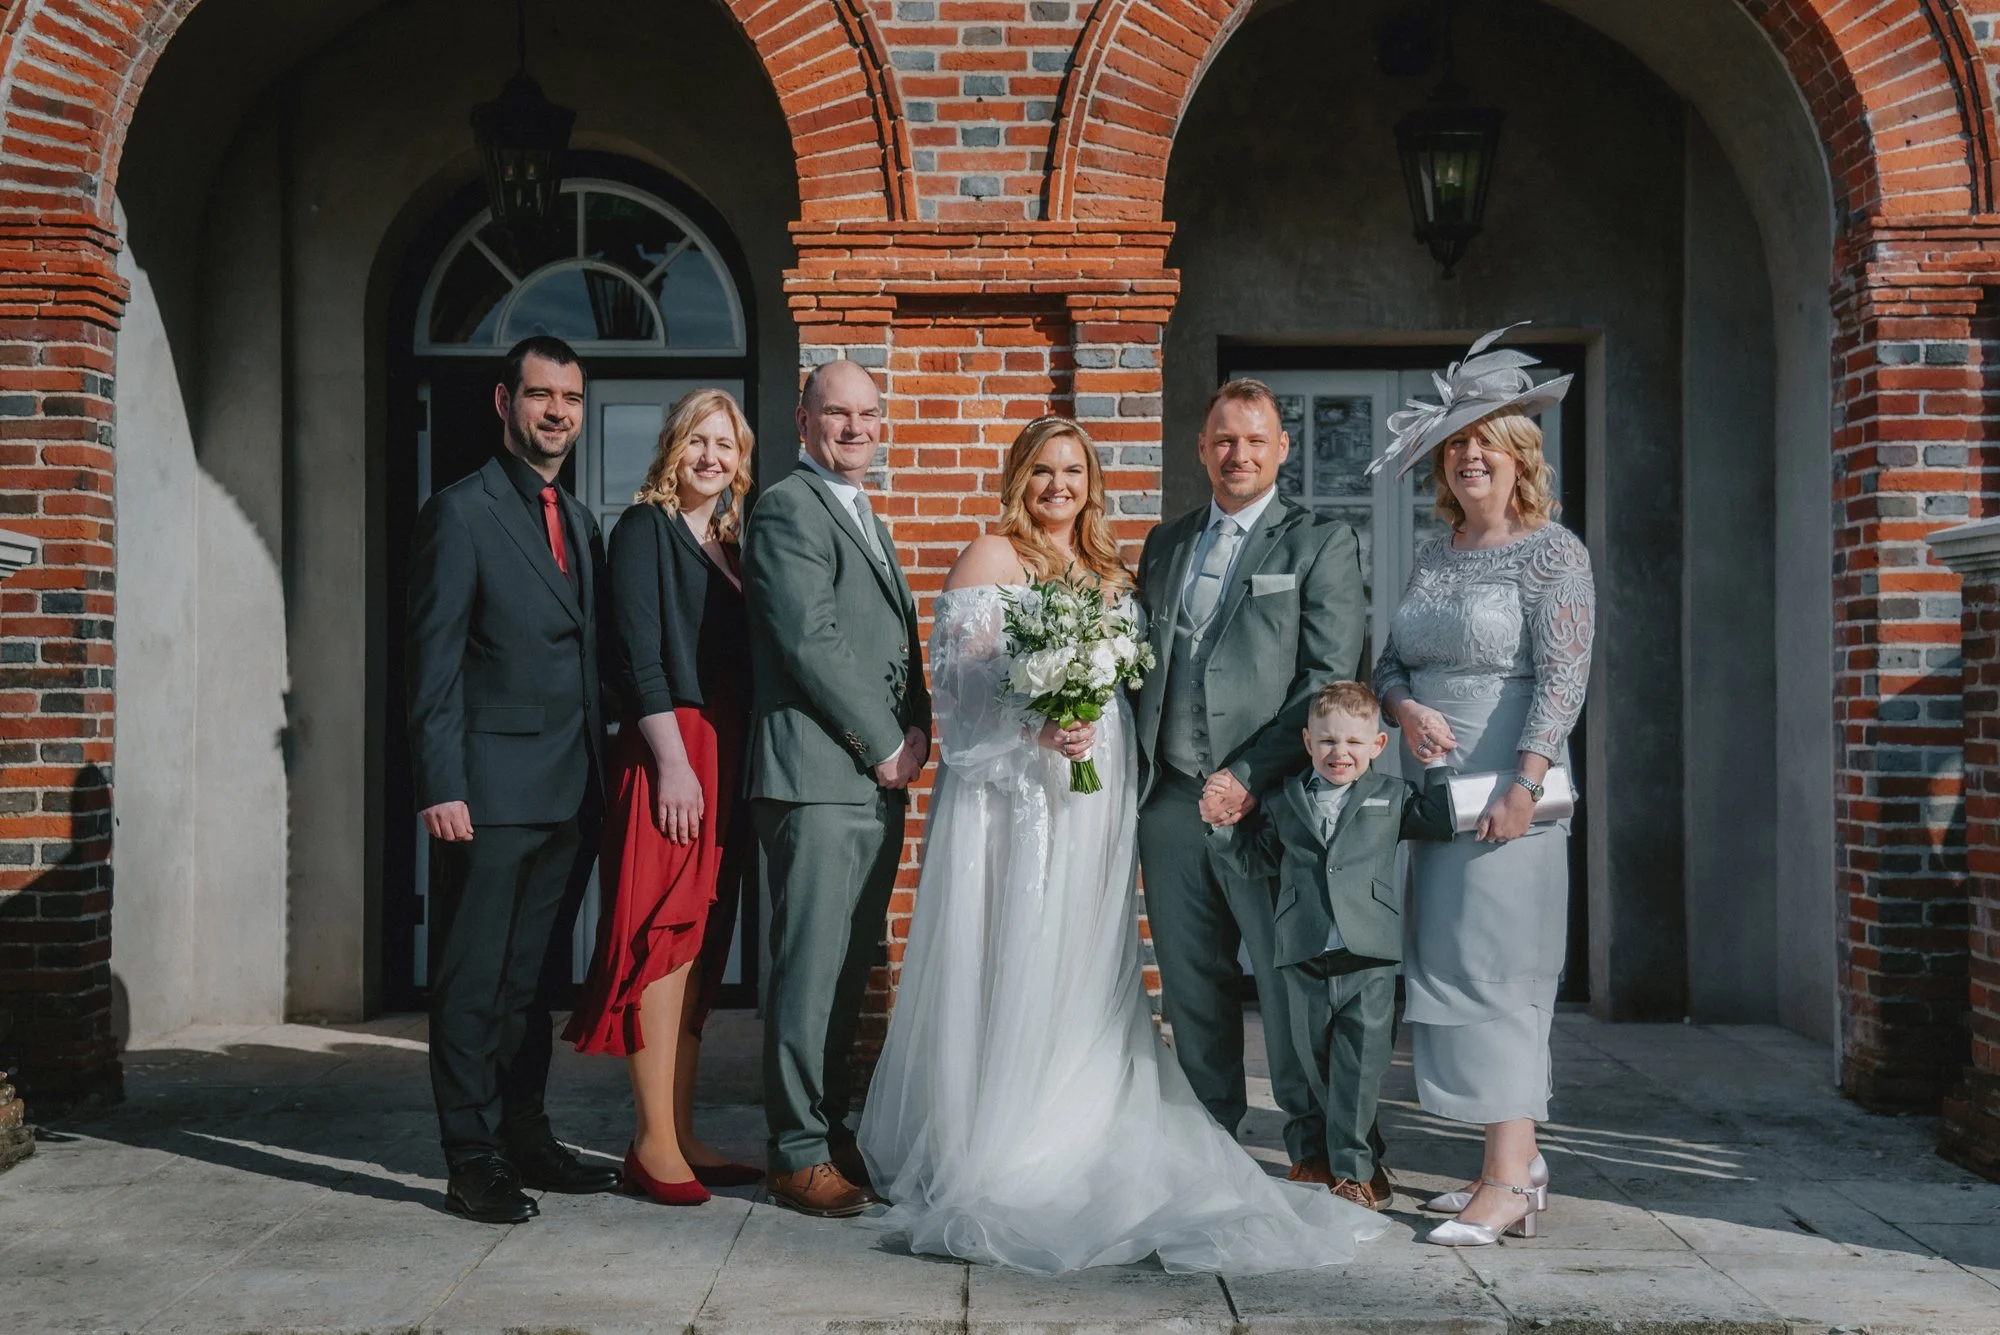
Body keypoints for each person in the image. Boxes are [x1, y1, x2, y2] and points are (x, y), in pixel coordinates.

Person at [858, 415, 1388, 1275]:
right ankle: (1009, 1131)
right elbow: (956, 694)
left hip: (1102, 806)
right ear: (1018, 476)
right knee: (1025, 952)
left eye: (1073, 470)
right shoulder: (993, 555)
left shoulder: (1112, 567)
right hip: (1022, 799)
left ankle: (1325, 1148)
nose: (1058, 486)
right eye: (1042, 470)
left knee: (1094, 957)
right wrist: (1036, 725)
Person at [1367, 324, 1595, 1247]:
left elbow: (1565, 675)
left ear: (1518, 456)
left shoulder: (1555, 554)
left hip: (1513, 793)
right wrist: (1400, 709)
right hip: (1436, 793)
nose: (1468, 456)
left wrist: (1526, 780)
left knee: (1505, 971)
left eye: (1485, 441)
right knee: (1449, 968)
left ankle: (1508, 1179)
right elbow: (1388, 658)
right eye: (1456, 442)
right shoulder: (1435, 552)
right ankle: (1510, 1160)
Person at [405, 335, 623, 1223]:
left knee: (532, 984)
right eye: (541, 395)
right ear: (506, 402)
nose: (558, 412)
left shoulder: (578, 520)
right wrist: (440, 781)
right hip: (487, 794)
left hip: (570, 793)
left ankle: (526, 1134)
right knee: (472, 981)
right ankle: (472, 1157)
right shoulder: (460, 513)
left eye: (570, 397)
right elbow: (434, 662)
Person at [1131, 379, 1367, 1190]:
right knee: (1192, 986)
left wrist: (1248, 775)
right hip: (1167, 802)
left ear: (1282, 449)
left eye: (1255, 441)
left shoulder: (1319, 543)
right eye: (1224, 439)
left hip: (1265, 804)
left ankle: (1312, 1144)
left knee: (1284, 980)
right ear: (1202, 447)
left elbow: (1328, 680)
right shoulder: (1165, 544)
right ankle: (1209, 1143)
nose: (1239, 454)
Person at [743, 359, 932, 1219]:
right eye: (837, 413)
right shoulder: (788, 506)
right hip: (818, 776)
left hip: (870, 780)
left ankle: (825, 1125)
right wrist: (888, 740)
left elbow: (895, 641)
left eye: (868, 414)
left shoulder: (863, 512)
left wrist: (919, 723)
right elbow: (809, 640)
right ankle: (793, 1151)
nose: (855, 427)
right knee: (809, 969)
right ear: (803, 418)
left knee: (848, 966)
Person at [565, 388, 762, 1206]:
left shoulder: (729, 545)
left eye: (726, 445)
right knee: (664, 938)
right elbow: (641, 654)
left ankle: (678, 1131)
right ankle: (649, 1144)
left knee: (705, 943)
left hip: (724, 751)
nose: (711, 457)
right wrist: (674, 763)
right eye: (698, 442)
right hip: (670, 750)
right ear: (672, 448)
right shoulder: (643, 529)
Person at [1212, 680, 1454, 1211]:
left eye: (1351, 742)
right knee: (1319, 1068)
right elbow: (1258, 861)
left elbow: (1440, 820)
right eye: (1326, 742)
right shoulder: (1283, 800)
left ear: (1376, 746)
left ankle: (1353, 1172)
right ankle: (1356, 1158)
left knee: (1360, 1070)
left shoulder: (1390, 796)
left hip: (1367, 955)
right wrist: (1223, 830)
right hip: (1304, 953)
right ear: (1306, 743)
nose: (1339, 753)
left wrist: (1436, 765)